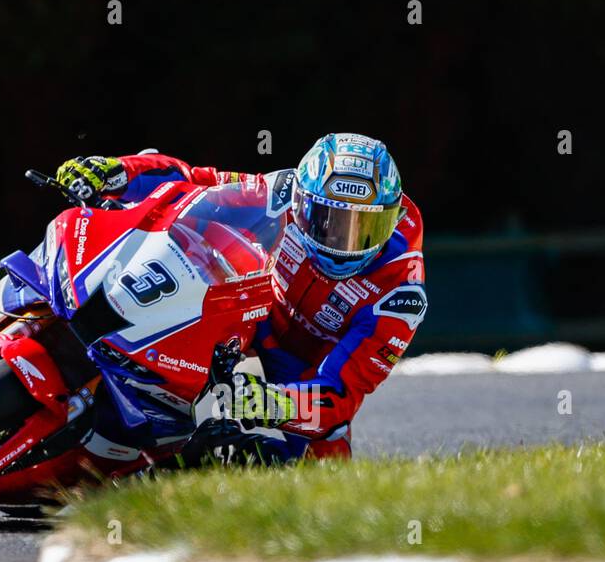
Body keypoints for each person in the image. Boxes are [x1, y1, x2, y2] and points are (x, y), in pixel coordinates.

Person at [55, 133, 426, 462]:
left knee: (324, 468)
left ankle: (198, 465)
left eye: (364, 229)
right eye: (327, 221)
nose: (342, 245)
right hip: (252, 311)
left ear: (391, 220)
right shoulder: (282, 193)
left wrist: (270, 404)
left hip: (304, 365)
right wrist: (120, 172)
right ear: (302, 202)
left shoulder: (400, 295)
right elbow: (199, 183)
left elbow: (338, 398)